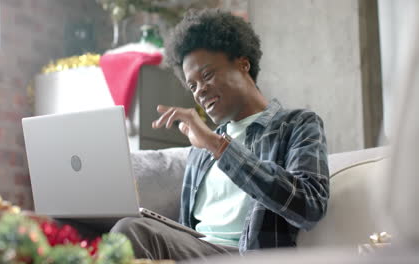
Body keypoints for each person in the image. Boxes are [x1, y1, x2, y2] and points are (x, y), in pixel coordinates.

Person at [110, 8, 329, 260]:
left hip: (248, 255)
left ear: (243, 64)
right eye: (192, 85)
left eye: (207, 75)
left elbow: (310, 205)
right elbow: (186, 233)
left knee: (131, 231)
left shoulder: (296, 124)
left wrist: (218, 145)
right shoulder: (200, 151)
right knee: (116, 234)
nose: (199, 91)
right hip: (197, 252)